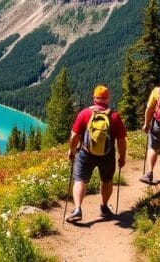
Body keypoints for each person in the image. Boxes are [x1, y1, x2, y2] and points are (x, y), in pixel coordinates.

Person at [66, 85, 127, 222]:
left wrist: (72, 150)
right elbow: (121, 140)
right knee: (107, 180)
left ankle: (77, 209)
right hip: (107, 155)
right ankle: (104, 208)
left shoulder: (85, 114)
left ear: (94, 98)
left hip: (86, 154)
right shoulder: (114, 116)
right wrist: (122, 157)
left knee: (80, 180)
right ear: (107, 99)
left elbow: (75, 135)